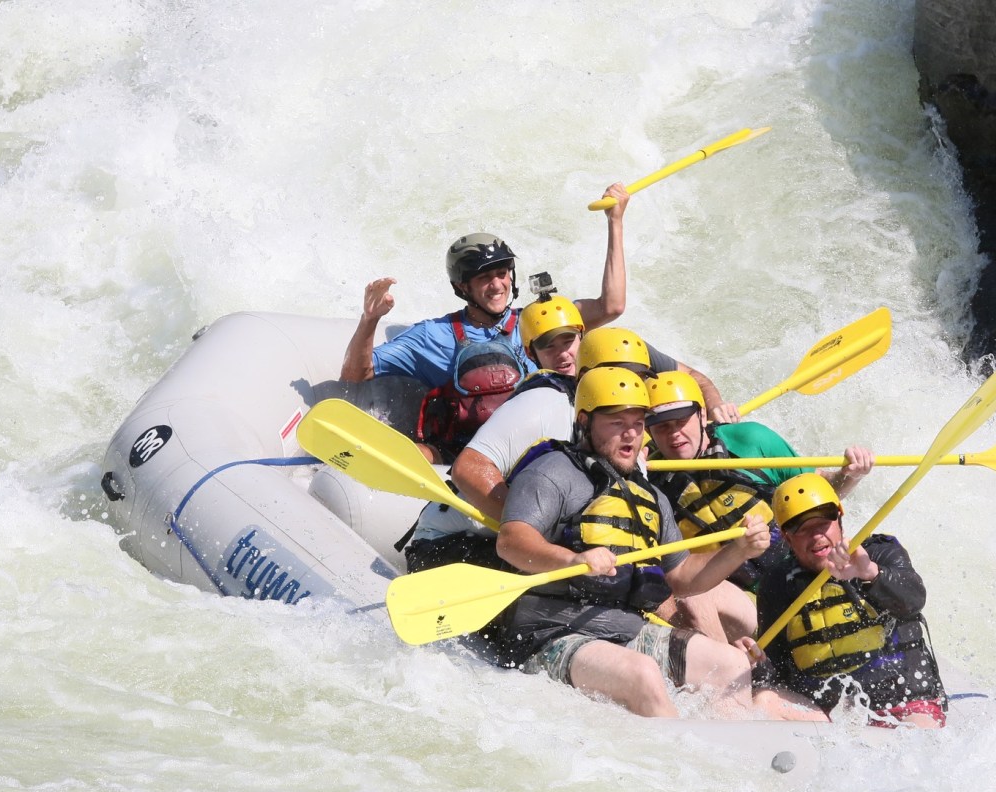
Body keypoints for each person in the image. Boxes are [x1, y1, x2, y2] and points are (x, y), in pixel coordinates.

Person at [493, 367, 790, 719]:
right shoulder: (552, 471)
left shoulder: (649, 495)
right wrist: (571, 560)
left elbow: (682, 577)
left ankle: (735, 756)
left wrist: (738, 550)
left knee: (730, 663)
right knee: (643, 674)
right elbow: (511, 541)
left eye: (637, 423)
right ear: (585, 421)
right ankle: (680, 761)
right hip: (551, 633)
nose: (631, 434)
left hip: (626, 629)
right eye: (617, 423)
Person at [408, 323, 732, 571]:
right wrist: (541, 537)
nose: (632, 387)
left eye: (640, 378)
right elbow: (469, 468)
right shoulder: (545, 403)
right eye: (620, 376)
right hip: (456, 542)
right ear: (588, 375)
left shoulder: (628, 435)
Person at [643, 370, 874, 640]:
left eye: (681, 421)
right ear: (648, 431)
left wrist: (850, 474)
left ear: (702, 416)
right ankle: (737, 668)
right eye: (662, 427)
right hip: (742, 602)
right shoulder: (649, 483)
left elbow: (823, 491)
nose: (674, 435)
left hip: (800, 574)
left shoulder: (750, 440)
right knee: (692, 598)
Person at [338, 182, 632, 388]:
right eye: (484, 278)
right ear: (462, 287)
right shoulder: (433, 336)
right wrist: (370, 319)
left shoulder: (539, 320)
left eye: (502, 273)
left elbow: (612, 305)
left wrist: (615, 222)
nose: (497, 285)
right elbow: (355, 375)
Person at [748, 473, 949, 727]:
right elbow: (777, 668)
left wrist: (869, 573)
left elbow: (914, 599)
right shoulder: (777, 583)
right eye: (802, 529)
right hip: (829, 715)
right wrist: (759, 661)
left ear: (839, 519)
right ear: (787, 537)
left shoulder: (881, 552)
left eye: (823, 524)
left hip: (904, 701)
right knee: (764, 700)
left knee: (922, 734)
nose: (817, 536)